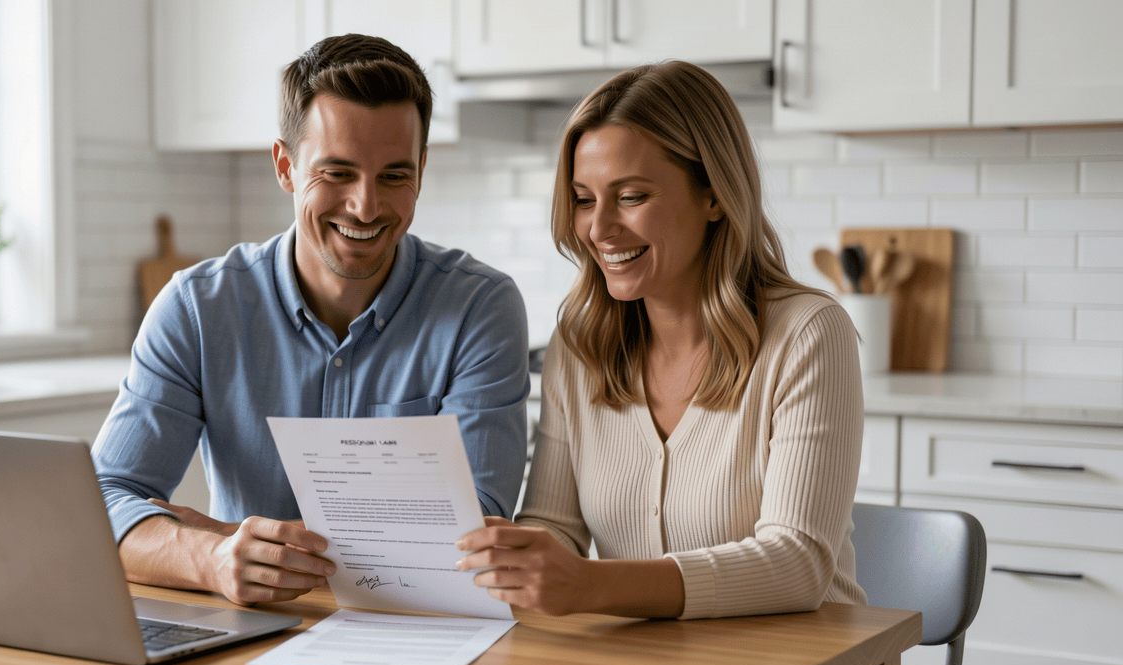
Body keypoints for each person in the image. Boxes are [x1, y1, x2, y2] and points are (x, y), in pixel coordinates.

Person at [95, 34, 529, 607]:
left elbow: (474, 539)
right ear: (285, 167)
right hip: (243, 640)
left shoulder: (481, 307)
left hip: (418, 636)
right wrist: (211, 558)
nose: (367, 206)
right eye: (338, 173)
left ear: (422, 170)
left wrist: (225, 529)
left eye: (395, 175)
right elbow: (103, 501)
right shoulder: (197, 308)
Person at [457, 61, 866, 620]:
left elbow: (797, 564)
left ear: (715, 196)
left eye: (630, 197)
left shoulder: (807, 335)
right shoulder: (578, 347)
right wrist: (514, 553)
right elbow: (556, 527)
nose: (599, 229)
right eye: (583, 199)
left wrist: (591, 585)